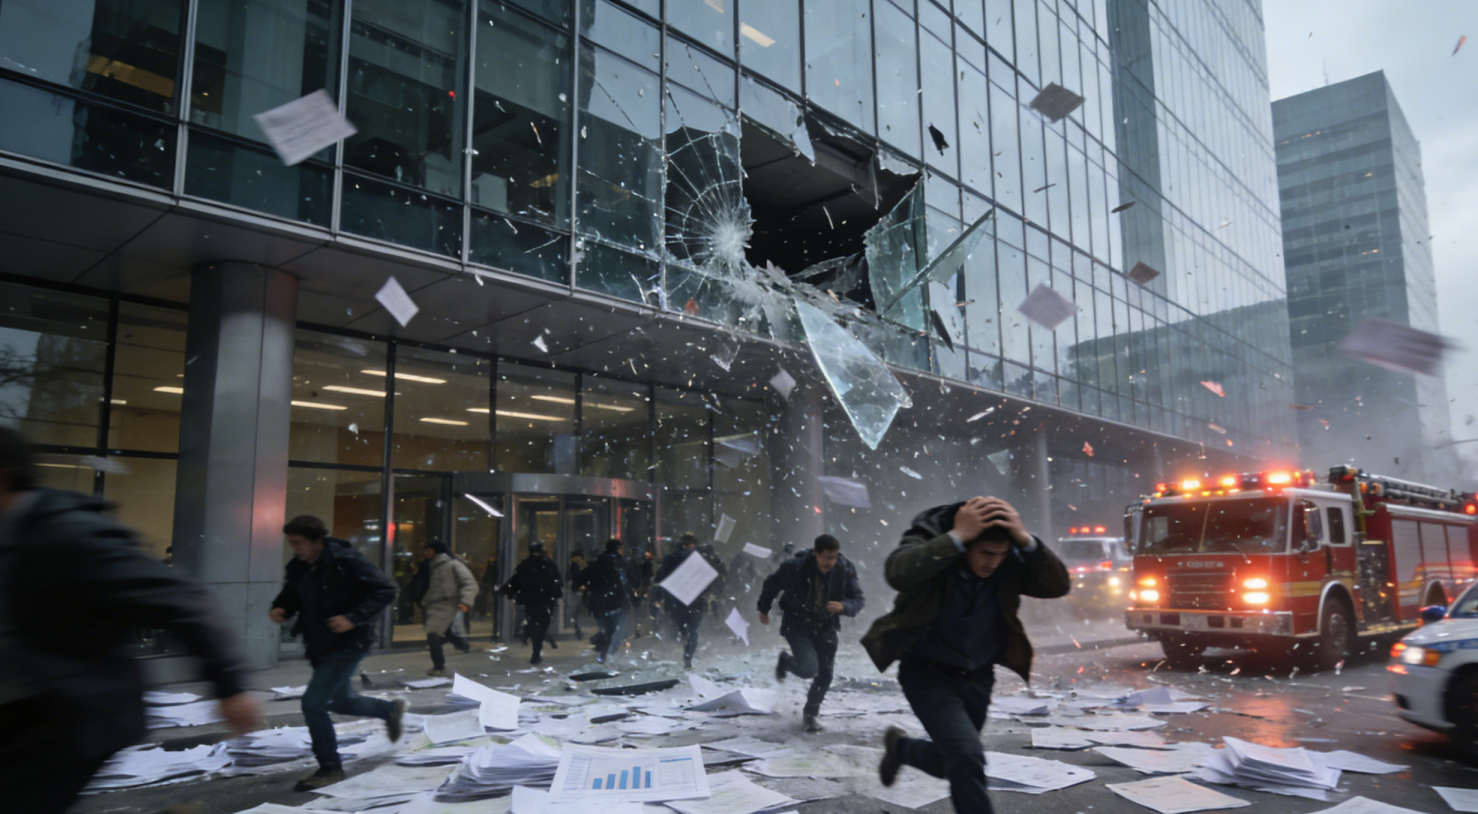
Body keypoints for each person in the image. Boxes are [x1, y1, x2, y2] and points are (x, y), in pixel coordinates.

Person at [0, 427, 261, 813]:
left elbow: (181, 599)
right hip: (23, 710)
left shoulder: (68, 534)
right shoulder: (16, 534)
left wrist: (230, 686)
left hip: (71, 715)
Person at [864, 497, 1069, 814]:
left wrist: (1027, 541)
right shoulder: (934, 540)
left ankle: (901, 749)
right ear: (967, 543)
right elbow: (898, 572)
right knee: (967, 755)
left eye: (1001, 554)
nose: (993, 563)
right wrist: (956, 537)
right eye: (986, 553)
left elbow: (1057, 584)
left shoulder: (1007, 562)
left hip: (978, 677)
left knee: (956, 761)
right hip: (927, 673)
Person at [270, 514, 408, 792]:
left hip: (349, 642)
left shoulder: (345, 560)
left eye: (299, 543)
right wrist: (281, 607)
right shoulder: (299, 565)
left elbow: (385, 589)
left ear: (317, 541)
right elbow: (292, 592)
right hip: (319, 644)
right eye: (292, 543)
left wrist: (353, 618)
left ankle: (330, 768)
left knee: (313, 703)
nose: (295, 548)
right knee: (341, 701)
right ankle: (389, 710)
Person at [757, 534, 865, 733]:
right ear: (816, 553)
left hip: (826, 625)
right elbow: (772, 584)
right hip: (797, 623)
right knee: (808, 668)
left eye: (833, 558)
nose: (829, 563)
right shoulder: (796, 567)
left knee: (826, 674)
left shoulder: (844, 569)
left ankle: (810, 714)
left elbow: (858, 598)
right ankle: (786, 661)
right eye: (825, 558)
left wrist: (844, 606)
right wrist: (764, 608)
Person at [421, 539, 479, 676]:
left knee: (433, 633)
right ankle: (462, 644)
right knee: (445, 632)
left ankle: (438, 666)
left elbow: (469, 583)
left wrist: (465, 601)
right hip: (432, 605)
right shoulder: (430, 566)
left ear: (435, 551)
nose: (425, 553)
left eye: (428, 550)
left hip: (447, 604)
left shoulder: (453, 565)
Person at [502, 541, 563, 664]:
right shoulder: (547, 564)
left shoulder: (525, 564)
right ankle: (536, 651)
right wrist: (556, 594)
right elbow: (556, 580)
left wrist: (506, 590)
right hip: (545, 600)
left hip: (530, 600)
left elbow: (515, 580)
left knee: (534, 623)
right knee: (543, 624)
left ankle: (535, 648)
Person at [576, 538, 636, 663]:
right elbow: (634, 581)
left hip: (599, 602)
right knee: (617, 628)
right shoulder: (623, 563)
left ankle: (604, 652)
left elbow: (582, 578)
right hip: (618, 601)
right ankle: (608, 653)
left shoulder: (598, 562)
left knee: (606, 628)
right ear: (618, 549)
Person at [655, 533, 708, 669]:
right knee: (693, 629)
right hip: (696, 599)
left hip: (677, 599)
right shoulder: (701, 558)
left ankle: (683, 645)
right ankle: (688, 655)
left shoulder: (672, 559)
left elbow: (660, 577)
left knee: (681, 626)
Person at [567, 550, 588, 639]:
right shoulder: (575, 566)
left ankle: (578, 629)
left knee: (576, 612)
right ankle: (578, 630)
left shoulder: (573, 566)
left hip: (577, 591)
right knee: (577, 612)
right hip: (578, 591)